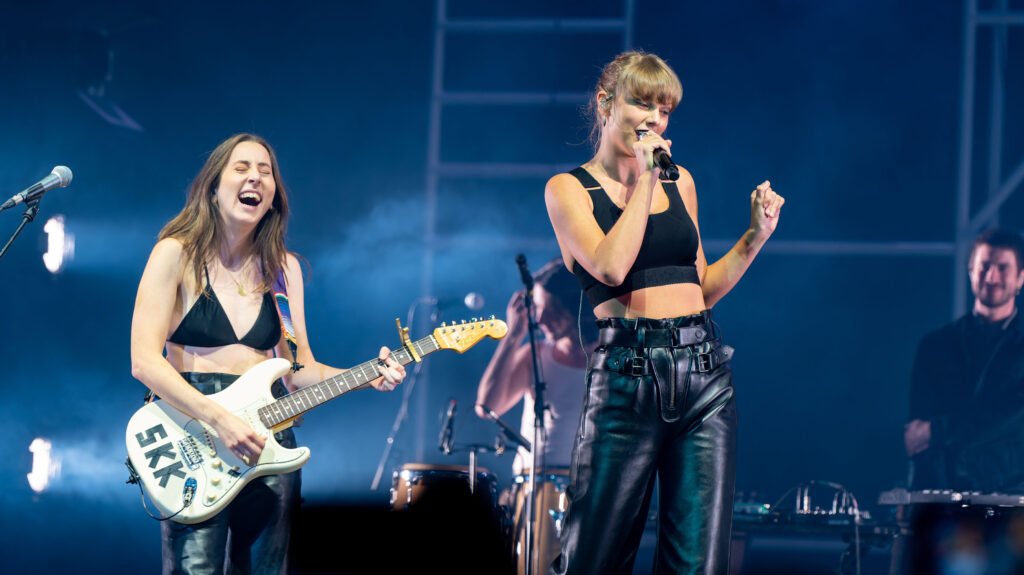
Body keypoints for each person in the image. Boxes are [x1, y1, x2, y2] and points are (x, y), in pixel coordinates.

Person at [543, 50, 785, 574]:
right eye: (642, 104)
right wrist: (645, 179)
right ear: (606, 104)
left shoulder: (683, 183)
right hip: (625, 378)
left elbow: (700, 289)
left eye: (665, 110)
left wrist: (753, 238)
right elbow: (610, 267)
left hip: (704, 377)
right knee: (594, 558)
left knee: (696, 563)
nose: (655, 120)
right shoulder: (568, 190)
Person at [130, 133, 406, 575]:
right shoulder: (174, 254)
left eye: (266, 171)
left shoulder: (284, 270)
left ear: (274, 197)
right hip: (194, 428)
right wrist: (220, 419)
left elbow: (298, 370)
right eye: (241, 168)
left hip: (268, 436)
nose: (255, 177)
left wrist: (369, 374)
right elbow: (144, 361)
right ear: (213, 186)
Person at [475, 258, 596, 574]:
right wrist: (513, 335)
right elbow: (487, 407)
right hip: (531, 486)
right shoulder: (535, 354)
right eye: (537, 307)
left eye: (551, 309)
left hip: (588, 489)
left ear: (577, 308)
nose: (540, 317)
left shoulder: (607, 360)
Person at [905, 227, 1024, 492]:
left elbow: (1013, 418)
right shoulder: (935, 345)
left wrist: (937, 431)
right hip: (943, 499)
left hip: (1011, 500)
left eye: (1003, 268)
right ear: (971, 271)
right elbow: (916, 434)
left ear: (1020, 279)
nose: (992, 276)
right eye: (984, 267)